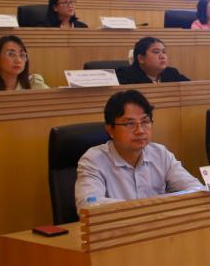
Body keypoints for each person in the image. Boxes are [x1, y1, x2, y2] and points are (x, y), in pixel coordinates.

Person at [73, 89, 202, 211]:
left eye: (145, 121)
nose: (140, 130)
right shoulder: (93, 160)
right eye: (130, 124)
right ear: (110, 130)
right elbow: (88, 204)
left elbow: (195, 188)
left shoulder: (160, 154)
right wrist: (146, 209)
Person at [116, 37, 190, 84]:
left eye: (164, 52)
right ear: (141, 59)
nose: (162, 56)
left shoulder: (171, 73)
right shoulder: (125, 76)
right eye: (156, 52)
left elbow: (192, 87)